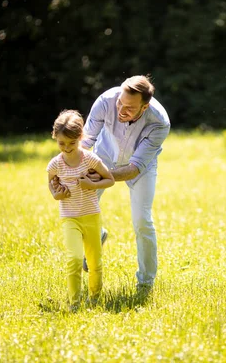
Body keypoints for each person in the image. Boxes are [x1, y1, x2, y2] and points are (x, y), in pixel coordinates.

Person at [81, 75, 170, 292]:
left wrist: (103, 177)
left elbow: (134, 169)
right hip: (103, 156)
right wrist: (74, 169)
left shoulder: (159, 122)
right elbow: (85, 141)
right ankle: (97, 236)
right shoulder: (105, 101)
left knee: (142, 221)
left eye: (130, 107)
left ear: (145, 106)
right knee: (82, 209)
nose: (121, 109)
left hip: (140, 167)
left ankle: (145, 283)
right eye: (120, 102)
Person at [47, 109, 115, 311]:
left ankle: (94, 299)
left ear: (80, 138)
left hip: (91, 216)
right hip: (70, 218)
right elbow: (51, 185)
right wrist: (57, 194)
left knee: (94, 262)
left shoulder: (90, 159)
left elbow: (109, 179)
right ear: (55, 138)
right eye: (61, 143)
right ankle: (74, 303)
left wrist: (91, 185)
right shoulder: (55, 164)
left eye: (71, 143)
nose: (67, 148)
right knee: (75, 258)